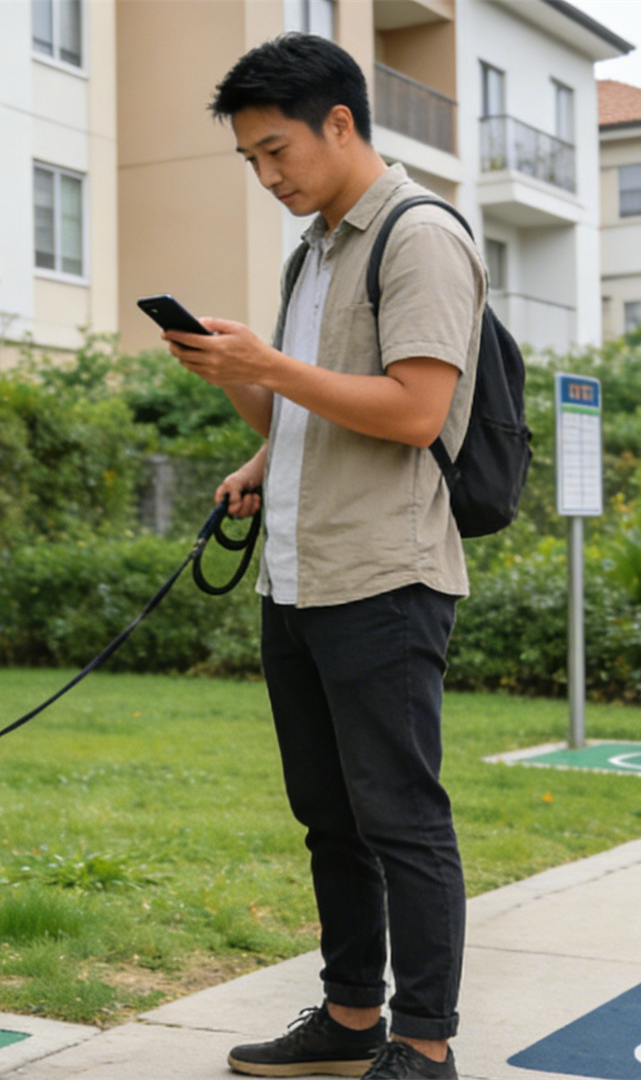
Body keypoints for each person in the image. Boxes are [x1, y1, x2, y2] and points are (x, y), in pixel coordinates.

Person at [159, 33, 485, 1080]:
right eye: (250, 158)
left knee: (402, 819)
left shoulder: (418, 236)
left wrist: (272, 365)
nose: (266, 176)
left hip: (384, 576)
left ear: (339, 123)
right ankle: (350, 1021)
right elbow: (305, 410)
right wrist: (240, 387)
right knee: (329, 819)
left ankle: (424, 1044)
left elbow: (417, 409)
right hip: (297, 575)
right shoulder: (314, 252)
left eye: (276, 150)